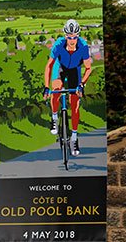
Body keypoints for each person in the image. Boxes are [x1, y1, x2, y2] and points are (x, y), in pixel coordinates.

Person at [43, 19, 92, 156]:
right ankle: (54, 117)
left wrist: (81, 84)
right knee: (56, 89)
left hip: (74, 70)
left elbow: (88, 68)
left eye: (75, 37)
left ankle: (74, 138)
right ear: (65, 36)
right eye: (69, 37)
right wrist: (47, 87)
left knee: (75, 104)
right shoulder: (58, 45)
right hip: (60, 67)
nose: (72, 40)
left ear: (78, 36)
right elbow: (49, 65)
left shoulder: (83, 46)